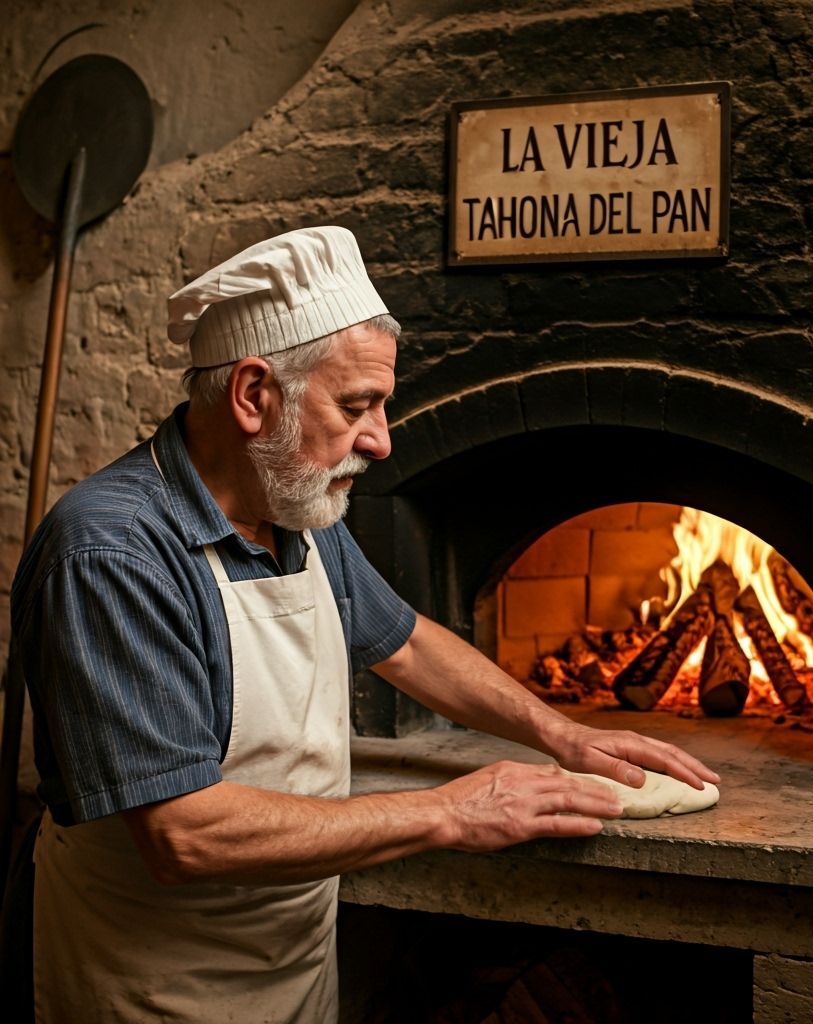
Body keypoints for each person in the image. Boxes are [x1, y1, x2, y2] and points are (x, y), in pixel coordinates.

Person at [10, 226, 719, 1022]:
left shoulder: (296, 509)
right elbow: (185, 836)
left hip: (291, 958)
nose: (381, 440)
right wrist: (452, 810)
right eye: (358, 406)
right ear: (253, 396)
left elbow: (407, 643)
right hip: (148, 980)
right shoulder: (113, 552)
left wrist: (561, 735)